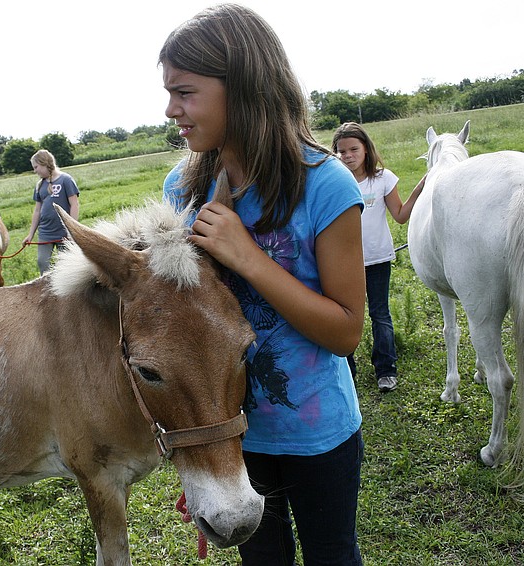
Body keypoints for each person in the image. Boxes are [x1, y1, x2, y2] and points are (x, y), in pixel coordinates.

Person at [160, 5, 365, 564]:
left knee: (332, 555)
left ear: (242, 87)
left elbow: (347, 332)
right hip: (233, 437)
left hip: (317, 433)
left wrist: (249, 258)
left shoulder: (325, 186)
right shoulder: (182, 189)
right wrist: (197, 453)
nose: (171, 109)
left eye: (185, 92)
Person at [332, 122, 426, 393]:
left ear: (366, 149)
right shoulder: (335, 181)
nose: (347, 156)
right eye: (341, 151)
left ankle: (386, 370)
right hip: (343, 263)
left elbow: (400, 215)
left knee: (380, 313)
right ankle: (347, 372)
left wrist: (421, 185)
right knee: (344, 317)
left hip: (377, 259)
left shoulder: (383, 178)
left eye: (353, 149)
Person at [23, 149, 80, 274]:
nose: (35, 170)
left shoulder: (66, 180)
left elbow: (74, 204)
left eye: (36, 167)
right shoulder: (39, 185)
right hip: (45, 232)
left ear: (44, 163)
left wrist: (72, 229)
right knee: (43, 262)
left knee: (65, 264)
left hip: (63, 232)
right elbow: (37, 210)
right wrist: (30, 234)